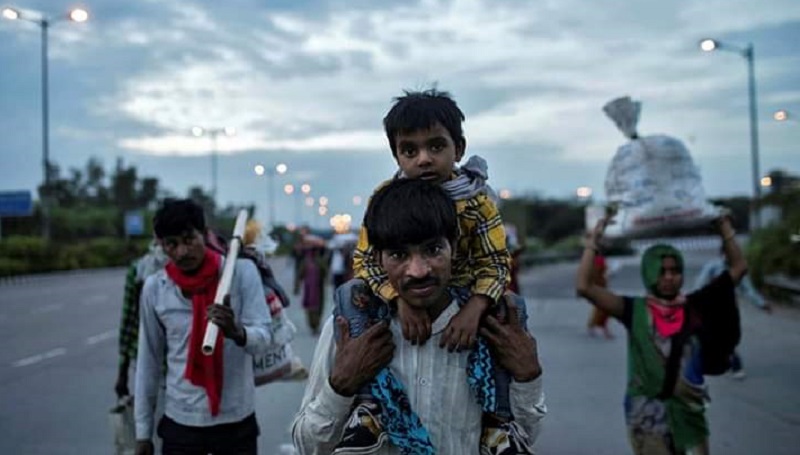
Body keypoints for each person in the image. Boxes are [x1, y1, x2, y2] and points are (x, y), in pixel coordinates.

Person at [292, 178, 546, 455]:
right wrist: (341, 385)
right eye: (399, 254)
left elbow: (524, 436)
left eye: (433, 250)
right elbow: (309, 445)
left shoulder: (491, 330)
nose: (418, 270)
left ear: (454, 247)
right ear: (378, 258)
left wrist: (528, 375)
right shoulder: (352, 329)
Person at [349, 88, 519, 454]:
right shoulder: (386, 198)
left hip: (462, 297)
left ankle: (499, 423)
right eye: (410, 151)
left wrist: (474, 308)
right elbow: (366, 261)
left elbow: (496, 262)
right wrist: (399, 302)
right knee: (348, 297)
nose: (424, 159)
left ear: (458, 148)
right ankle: (368, 410)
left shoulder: (475, 200)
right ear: (396, 154)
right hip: (404, 292)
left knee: (513, 309)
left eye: (436, 147)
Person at [576, 213, 747, 455]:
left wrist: (724, 228)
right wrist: (593, 240)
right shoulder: (632, 309)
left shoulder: (696, 304)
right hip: (647, 414)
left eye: (675, 270)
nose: (669, 277)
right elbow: (584, 287)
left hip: (689, 410)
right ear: (649, 272)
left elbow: (739, 268)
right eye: (662, 270)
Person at [134, 199, 273, 455]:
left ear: (204, 234)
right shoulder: (156, 288)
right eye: (171, 244)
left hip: (236, 422)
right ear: (161, 246)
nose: (182, 252)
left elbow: (265, 338)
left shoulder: (241, 273)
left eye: (189, 239)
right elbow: (148, 362)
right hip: (180, 422)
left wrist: (237, 332)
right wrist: (142, 433)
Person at [693, 245, 771, 379]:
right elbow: (700, 284)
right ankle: (734, 365)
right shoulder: (712, 267)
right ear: (722, 254)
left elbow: (747, 289)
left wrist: (761, 303)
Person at [115, 242, 169, 400]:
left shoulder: (193, 267)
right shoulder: (139, 269)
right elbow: (129, 320)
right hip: (148, 359)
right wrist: (122, 371)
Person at [293, 227, 331, 335]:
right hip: (309, 288)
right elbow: (299, 275)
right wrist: (296, 287)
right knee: (310, 307)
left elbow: (325, 271)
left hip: (319, 288)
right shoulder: (305, 262)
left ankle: (316, 324)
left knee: (319, 307)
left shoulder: (320, 261)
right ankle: (313, 325)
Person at [585, 254, 614, 339]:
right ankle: (602, 329)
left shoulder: (596, 259)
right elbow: (597, 273)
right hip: (598, 287)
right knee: (603, 308)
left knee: (601, 308)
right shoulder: (597, 260)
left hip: (601, 286)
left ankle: (594, 326)